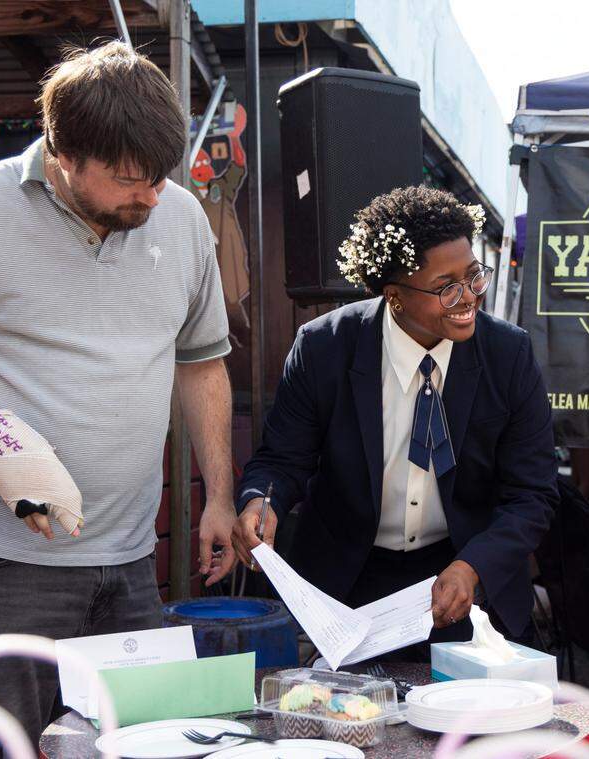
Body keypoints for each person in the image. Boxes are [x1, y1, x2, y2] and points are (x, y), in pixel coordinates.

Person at [0, 42, 239, 749]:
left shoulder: (179, 219)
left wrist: (219, 494)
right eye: (129, 179)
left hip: (129, 559)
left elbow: (202, 363)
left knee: (133, 748)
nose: (151, 197)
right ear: (64, 154)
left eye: (160, 176)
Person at [231, 186, 558, 650]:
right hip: (346, 583)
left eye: (473, 277)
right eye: (446, 287)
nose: (468, 297)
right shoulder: (324, 348)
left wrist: (473, 566)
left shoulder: (509, 354)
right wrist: (259, 504)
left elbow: (532, 493)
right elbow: (282, 461)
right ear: (395, 297)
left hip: (463, 572)